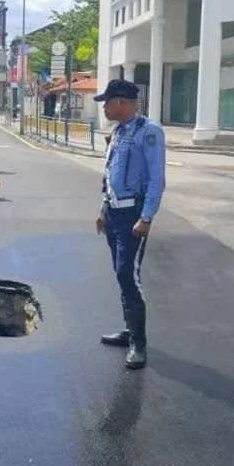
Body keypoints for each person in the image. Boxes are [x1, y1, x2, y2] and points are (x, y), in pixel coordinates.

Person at [94, 79, 166, 369]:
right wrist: (102, 210)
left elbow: (156, 180)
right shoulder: (119, 132)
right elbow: (109, 174)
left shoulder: (148, 132)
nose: (104, 108)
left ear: (121, 102)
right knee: (120, 273)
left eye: (107, 103)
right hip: (113, 214)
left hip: (133, 217)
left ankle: (138, 343)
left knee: (128, 275)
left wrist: (146, 217)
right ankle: (129, 330)